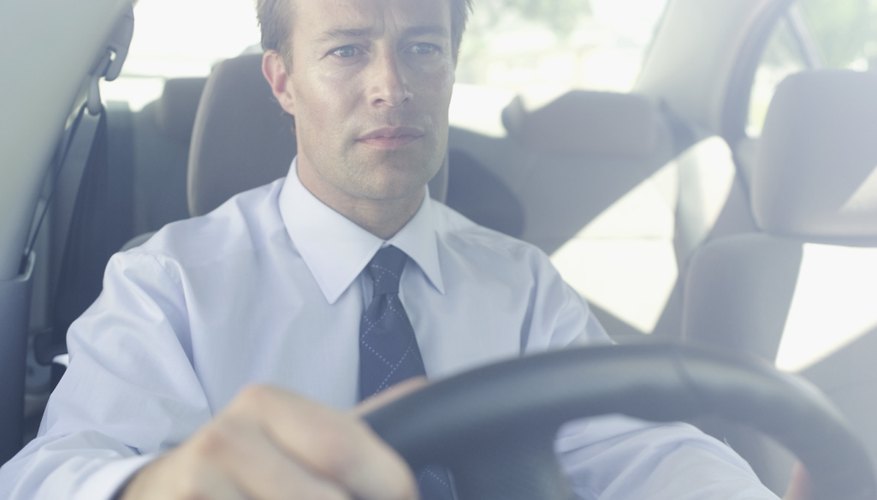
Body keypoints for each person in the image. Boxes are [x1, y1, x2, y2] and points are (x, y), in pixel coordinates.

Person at [0, 0, 792, 498]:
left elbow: (637, 448)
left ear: (449, 68)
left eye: (422, 47)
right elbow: (53, 471)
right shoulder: (168, 282)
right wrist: (149, 487)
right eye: (346, 50)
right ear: (281, 83)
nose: (392, 85)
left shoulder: (520, 283)